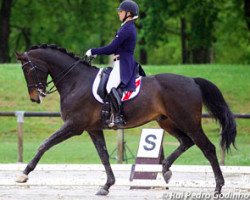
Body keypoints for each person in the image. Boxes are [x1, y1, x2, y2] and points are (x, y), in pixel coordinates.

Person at [85, 0, 139, 127]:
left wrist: (93, 51)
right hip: (120, 62)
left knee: (110, 86)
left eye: (121, 11)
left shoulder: (127, 28)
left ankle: (119, 117)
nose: (119, 14)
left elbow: (111, 48)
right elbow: (114, 48)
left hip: (124, 63)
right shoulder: (126, 27)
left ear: (129, 13)